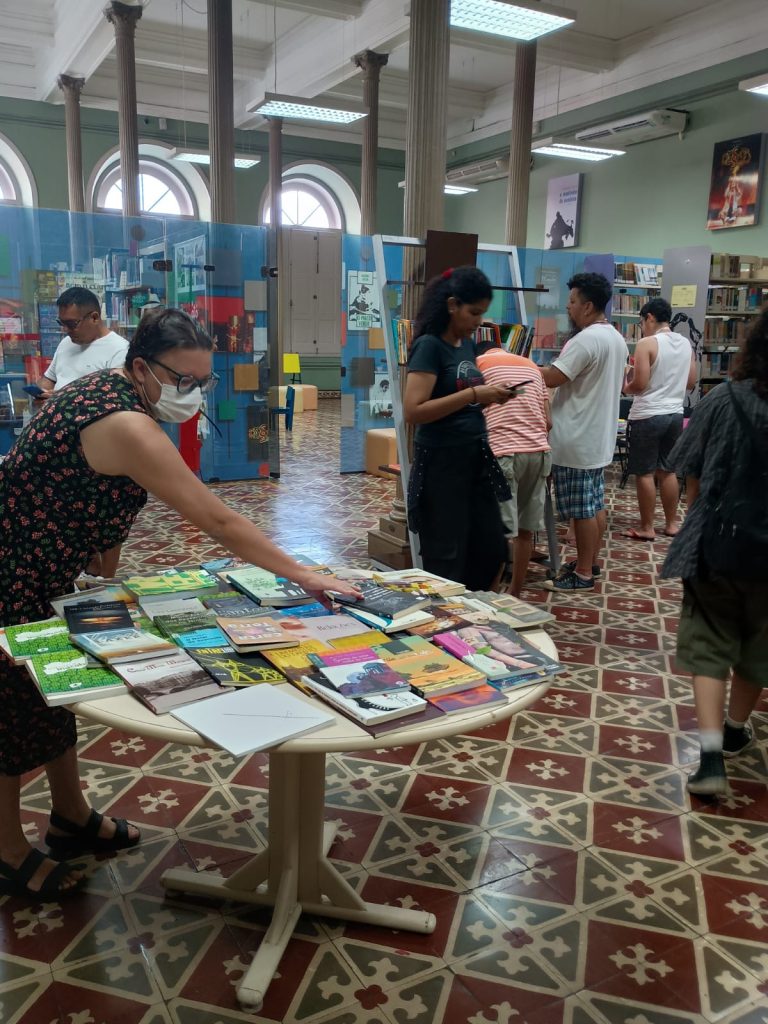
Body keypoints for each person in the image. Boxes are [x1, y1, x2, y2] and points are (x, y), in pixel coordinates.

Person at [0, 308, 360, 900]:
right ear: (140, 367)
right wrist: (300, 573)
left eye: (203, 381)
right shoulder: (128, 423)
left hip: (46, 565)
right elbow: (215, 516)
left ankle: (70, 815)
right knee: (12, 704)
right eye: (183, 381)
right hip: (13, 567)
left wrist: (97, 563)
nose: (192, 394)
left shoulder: (116, 391)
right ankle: (7, 847)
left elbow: (95, 497)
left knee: (50, 697)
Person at [661, 309, 768, 797]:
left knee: (709, 644)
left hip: (717, 547)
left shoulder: (722, 399)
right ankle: (734, 728)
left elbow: (689, 471)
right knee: (758, 648)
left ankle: (708, 760)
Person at [404, 267, 514, 590]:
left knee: (491, 548)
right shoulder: (429, 346)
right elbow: (414, 411)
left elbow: (460, 401)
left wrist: (488, 398)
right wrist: (474, 394)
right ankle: (447, 627)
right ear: (452, 305)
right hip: (442, 465)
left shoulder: (465, 345)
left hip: (475, 459)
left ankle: (474, 615)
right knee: (447, 557)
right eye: (474, 312)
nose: (479, 321)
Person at [540, 272, 628, 592]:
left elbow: (553, 377)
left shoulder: (586, 339)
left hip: (577, 437)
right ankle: (589, 562)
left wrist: (519, 367)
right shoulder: (615, 337)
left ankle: (584, 573)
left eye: (573, 302)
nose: (569, 307)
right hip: (596, 436)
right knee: (593, 505)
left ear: (588, 306)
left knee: (581, 511)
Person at [475, 342, 551, 596]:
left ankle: (492, 595)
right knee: (525, 530)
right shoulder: (532, 366)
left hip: (503, 453)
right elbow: (548, 421)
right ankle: (515, 593)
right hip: (538, 453)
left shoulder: (479, 365)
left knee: (499, 532)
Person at [623, 297, 697, 540]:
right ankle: (672, 524)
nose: (642, 327)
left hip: (647, 414)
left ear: (650, 317)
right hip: (675, 414)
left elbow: (640, 384)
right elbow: (690, 382)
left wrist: (626, 386)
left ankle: (646, 527)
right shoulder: (686, 344)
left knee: (644, 472)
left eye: (642, 321)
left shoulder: (647, 343)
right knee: (667, 470)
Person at [37, 287, 129, 395]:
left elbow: (114, 398)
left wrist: (60, 398)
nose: (65, 330)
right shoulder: (66, 343)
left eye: (71, 324)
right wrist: (41, 392)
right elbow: (49, 379)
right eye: (61, 323)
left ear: (94, 318)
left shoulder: (120, 350)